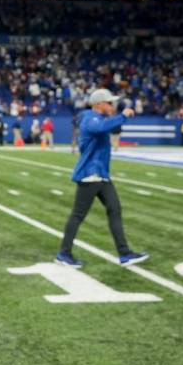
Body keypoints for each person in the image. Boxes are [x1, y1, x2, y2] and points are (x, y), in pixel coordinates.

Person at [56, 88, 149, 268]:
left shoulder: (96, 118)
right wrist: (122, 116)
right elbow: (101, 128)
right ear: (99, 104)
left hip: (101, 175)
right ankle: (64, 253)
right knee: (77, 215)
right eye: (109, 102)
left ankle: (125, 253)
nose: (112, 105)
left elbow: (107, 126)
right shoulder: (91, 119)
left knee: (115, 209)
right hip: (90, 174)